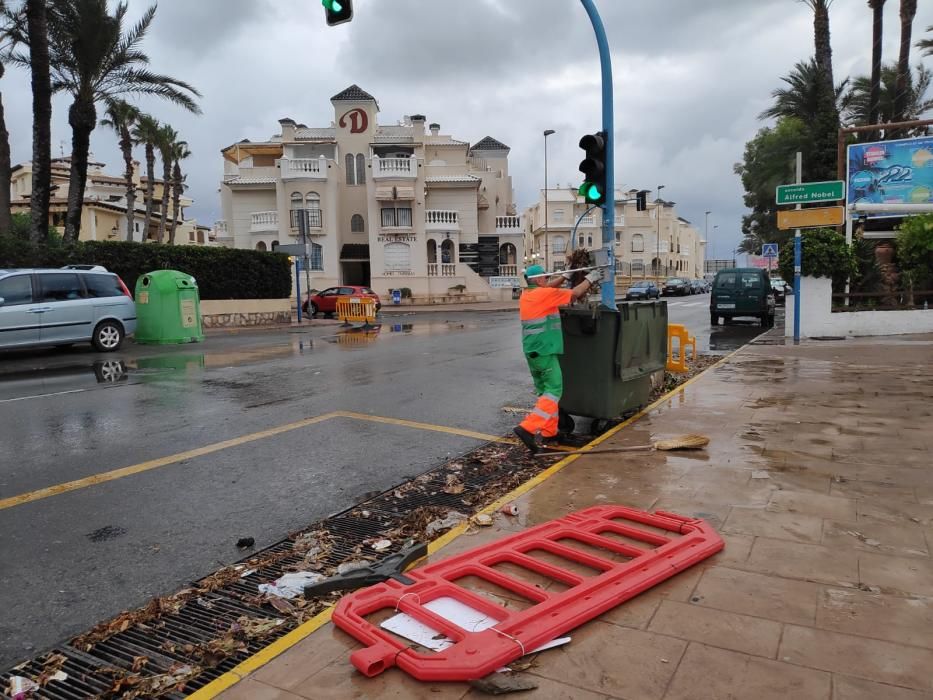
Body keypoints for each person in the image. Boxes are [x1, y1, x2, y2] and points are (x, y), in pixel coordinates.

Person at [514, 264, 601, 454]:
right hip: (544, 352)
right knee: (554, 391)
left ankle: (549, 433)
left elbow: (548, 288)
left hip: (534, 352)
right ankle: (527, 428)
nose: (546, 281)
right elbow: (574, 294)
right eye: (544, 278)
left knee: (545, 393)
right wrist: (591, 279)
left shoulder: (528, 293)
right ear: (538, 280)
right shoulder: (543, 295)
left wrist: (564, 276)